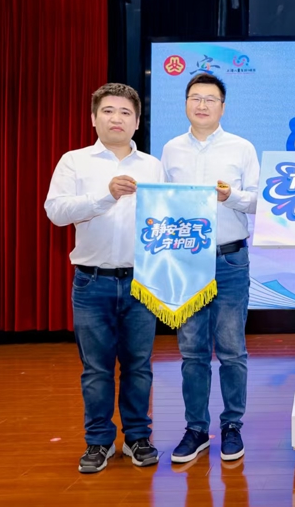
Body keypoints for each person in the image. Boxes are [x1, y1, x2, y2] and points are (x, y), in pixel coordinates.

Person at [45, 83, 164, 473]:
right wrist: (105, 196)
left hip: (141, 282)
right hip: (91, 281)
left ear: (137, 122)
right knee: (96, 369)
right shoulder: (74, 162)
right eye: (109, 111)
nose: (117, 118)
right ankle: (98, 442)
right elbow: (56, 212)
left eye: (126, 112)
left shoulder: (152, 166)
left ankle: (137, 437)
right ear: (94, 118)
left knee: (139, 366)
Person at [162, 72, 260, 464]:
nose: (202, 105)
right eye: (195, 98)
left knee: (232, 349)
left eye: (210, 99)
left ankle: (232, 425)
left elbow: (259, 201)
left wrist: (231, 196)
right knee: (192, 350)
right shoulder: (170, 150)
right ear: (186, 103)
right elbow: (161, 203)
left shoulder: (241, 148)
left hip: (230, 259)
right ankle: (196, 429)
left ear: (223, 106)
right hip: (185, 260)